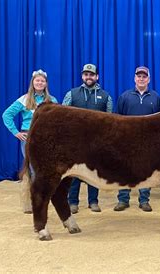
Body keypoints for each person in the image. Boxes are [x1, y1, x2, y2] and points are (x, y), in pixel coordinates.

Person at [62, 64, 113, 214]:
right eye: (86, 74)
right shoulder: (71, 94)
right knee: (75, 172)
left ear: (97, 76)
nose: (88, 77)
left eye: (91, 74)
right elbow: (64, 117)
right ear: (82, 76)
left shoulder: (106, 96)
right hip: (75, 143)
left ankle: (93, 201)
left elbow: (110, 121)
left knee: (94, 172)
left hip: (97, 143)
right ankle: (73, 202)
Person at [114, 66, 160, 212]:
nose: (141, 79)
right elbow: (118, 118)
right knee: (124, 169)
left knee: (146, 170)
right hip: (127, 140)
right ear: (134, 78)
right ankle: (123, 199)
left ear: (149, 79)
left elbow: (159, 120)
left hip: (148, 141)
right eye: (139, 76)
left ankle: (144, 200)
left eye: (144, 76)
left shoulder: (155, 97)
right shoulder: (125, 96)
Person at [2, 69, 58, 165]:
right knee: (33, 166)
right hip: (28, 135)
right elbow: (6, 115)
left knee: (46, 166)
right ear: (32, 82)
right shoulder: (24, 99)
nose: (40, 83)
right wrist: (15, 132)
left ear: (46, 84)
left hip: (47, 137)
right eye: (37, 80)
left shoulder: (52, 100)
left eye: (42, 81)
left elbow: (56, 120)